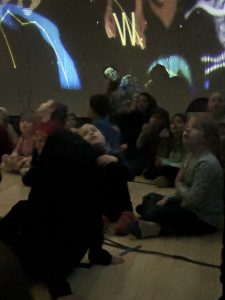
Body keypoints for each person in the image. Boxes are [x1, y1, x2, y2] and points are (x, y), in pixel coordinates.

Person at [0, 129, 124, 299]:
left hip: (44, 266)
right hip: (70, 259)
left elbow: (45, 239)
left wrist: (59, 289)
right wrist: (99, 255)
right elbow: (95, 223)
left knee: (20, 213)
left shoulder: (44, 195)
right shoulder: (90, 186)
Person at [129, 115, 224, 238]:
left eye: (194, 127)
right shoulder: (191, 156)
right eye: (188, 126)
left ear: (206, 138)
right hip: (188, 206)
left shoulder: (207, 163)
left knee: (156, 210)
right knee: (150, 197)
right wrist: (169, 199)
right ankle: (155, 224)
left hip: (203, 219)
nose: (187, 129)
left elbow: (193, 199)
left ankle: (155, 224)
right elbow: (186, 191)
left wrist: (178, 182)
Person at [78, 123, 135, 235]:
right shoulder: (84, 159)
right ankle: (101, 216)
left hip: (120, 204)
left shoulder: (115, 153)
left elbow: (130, 174)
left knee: (113, 166)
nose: (91, 133)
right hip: (100, 206)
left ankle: (126, 212)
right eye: (85, 134)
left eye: (94, 130)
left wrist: (116, 160)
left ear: (103, 137)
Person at [153, 113, 188, 187]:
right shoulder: (170, 141)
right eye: (172, 122)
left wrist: (165, 162)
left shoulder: (188, 142)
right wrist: (161, 161)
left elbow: (185, 164)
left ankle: (169, 181)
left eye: (179, 121)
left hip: (183, 171)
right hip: (171, 168)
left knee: (169, 170)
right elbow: (169, 159)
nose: (175, 124)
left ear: (186, 125)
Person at [136, 107, 170, 177]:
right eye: (153, 117)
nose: (154, 120)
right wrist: (145, 131)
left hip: (159, 160)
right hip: (146, 158)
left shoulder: (164, 132)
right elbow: (139, 145)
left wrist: (158, 160)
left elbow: (161, 153)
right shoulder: (146, 128)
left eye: (158, 118)